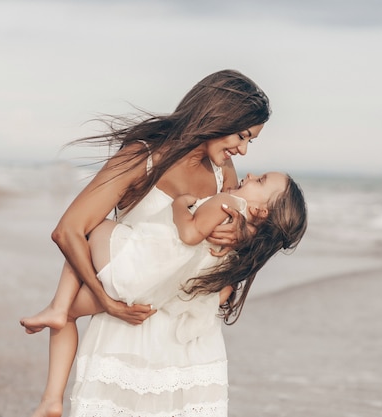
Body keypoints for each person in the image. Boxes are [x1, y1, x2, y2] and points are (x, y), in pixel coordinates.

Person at [26, 69, 273, 417]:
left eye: (252, 142)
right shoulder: (141, 157)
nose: (244, 150)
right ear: (219, 116)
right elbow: (68, 231)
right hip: (130, 330)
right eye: (243, 135)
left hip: (189, 340)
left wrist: (237, 244)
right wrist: (105, 301)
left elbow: (228, 257)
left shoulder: (224, 173)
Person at [22, 170, 307, 415]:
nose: (249, 175)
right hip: (154, 296)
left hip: (133, 273)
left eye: (260, 180)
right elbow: (218, 296)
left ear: (262, 211)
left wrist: (180, 205)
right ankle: (55, 367)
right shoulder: (244, 247)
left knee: (88, 230)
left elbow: (189, 233)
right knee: (73, 311)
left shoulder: (227, 203)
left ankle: (53, 386)